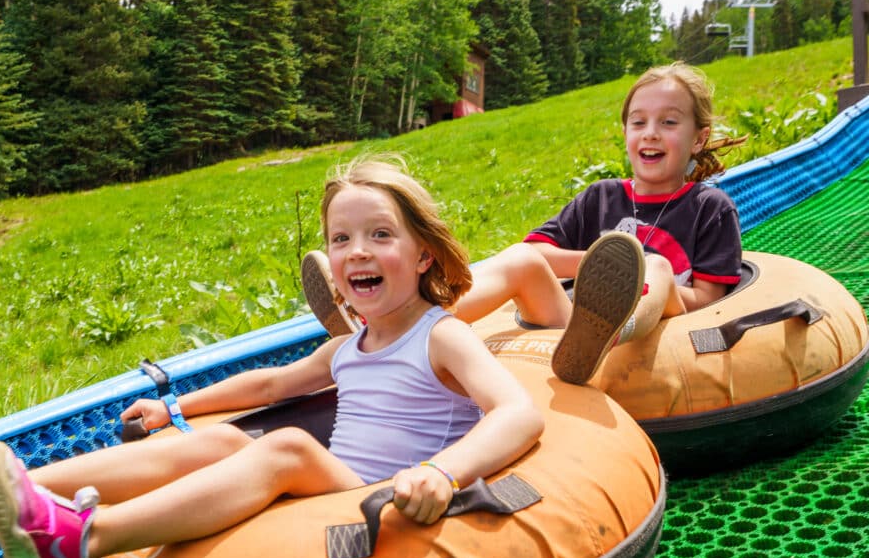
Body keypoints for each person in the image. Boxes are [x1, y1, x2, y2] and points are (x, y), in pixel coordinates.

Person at [0, 156, 544, 558]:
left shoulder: (441, 335)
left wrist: (442, 471)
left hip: (387, 501)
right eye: (340, 238)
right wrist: (178, 402)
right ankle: (6, 499)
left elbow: (517, 411)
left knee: (286, 445)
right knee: (226, 443)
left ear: (425, 253)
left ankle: (81, 540)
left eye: (381, 235)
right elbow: (269, 382)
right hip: (334, 487)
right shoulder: (350, 346)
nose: (357, 251)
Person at [305, 62, 747, 385]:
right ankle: (398, 319)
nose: (650, 133)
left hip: (652, 323)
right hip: (577, 326)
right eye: (639, 122)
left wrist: (645, 277)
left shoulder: (710, 207)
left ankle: (620, 320)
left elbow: (710, 299)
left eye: (668, 123)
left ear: (698, 137)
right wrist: (597, 264)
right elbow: (540, 252)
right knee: (519, 258)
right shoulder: (601, 197)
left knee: (659, 268)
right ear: (627, 133)